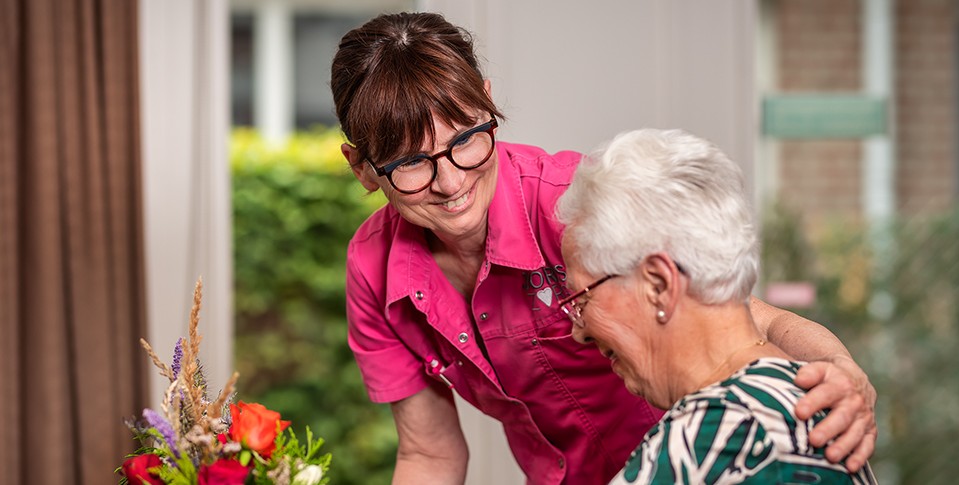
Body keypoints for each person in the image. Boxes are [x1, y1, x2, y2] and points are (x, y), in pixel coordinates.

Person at [331, 12, 876, 484]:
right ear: (363, 169)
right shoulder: (373, 268)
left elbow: (735, 312)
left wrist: (838, 368)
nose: (450, 183)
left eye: (466, 140)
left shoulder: (574, 204)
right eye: (410, 165)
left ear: (486, 103)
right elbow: (430, 451)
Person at [555, 128, 878, 484]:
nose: (578, 331)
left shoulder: (725, 428)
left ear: (659, 285)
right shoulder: (797, 399)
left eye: (581, 298)